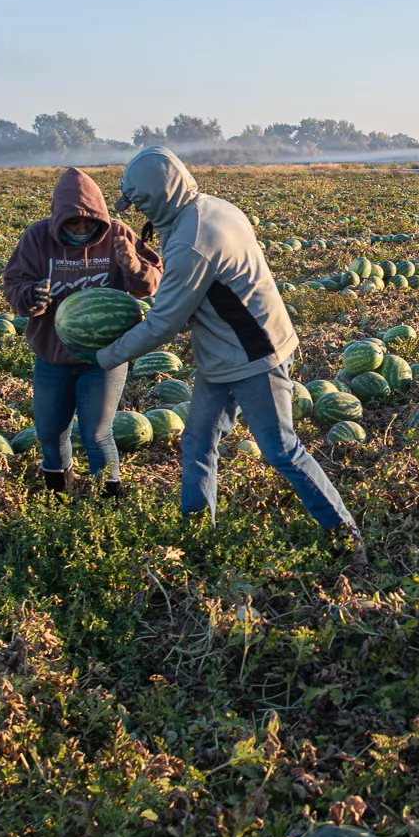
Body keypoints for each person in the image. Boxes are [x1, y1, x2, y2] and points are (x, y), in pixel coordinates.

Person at [93, 147, 364, 563]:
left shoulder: (191, 241)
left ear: (157, 195)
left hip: (255, 356)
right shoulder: (210, 207)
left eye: (139, 202)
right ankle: (198, 539)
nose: (136, 211)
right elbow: (199, 296)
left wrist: (105, 355)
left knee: (281, 449)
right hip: (223, 354)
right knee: (198, 440)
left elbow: (164, 322)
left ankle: (348, 539)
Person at [1, 167, 163, 496]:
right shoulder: (36, 238)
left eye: (89, 223)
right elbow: (13, 284)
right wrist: (31, 296)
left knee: (96, 434)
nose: (82, 229)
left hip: (104, 358)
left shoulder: (119, 234)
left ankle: (109, 504)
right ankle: (59, 498)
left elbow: (154, 282)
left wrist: (133, 266)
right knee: (49, 433)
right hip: (53, 356)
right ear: (58, 220)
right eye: (72, 224)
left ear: (100, 217)